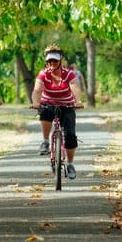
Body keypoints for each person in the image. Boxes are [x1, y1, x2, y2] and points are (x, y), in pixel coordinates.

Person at [31, 44, 84, 179]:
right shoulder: (43, 74)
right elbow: (37, 90)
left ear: (60, 61)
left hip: (67, 105)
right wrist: (36, 102)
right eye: (49, 61)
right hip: (48, 103)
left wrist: (78, 101)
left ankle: (70, 164)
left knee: (70, 135)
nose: (52, 63)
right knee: (45, 111)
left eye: (55, 60)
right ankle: (45, 141)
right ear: (46, 62)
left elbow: (74, 86)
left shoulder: (68, 74)